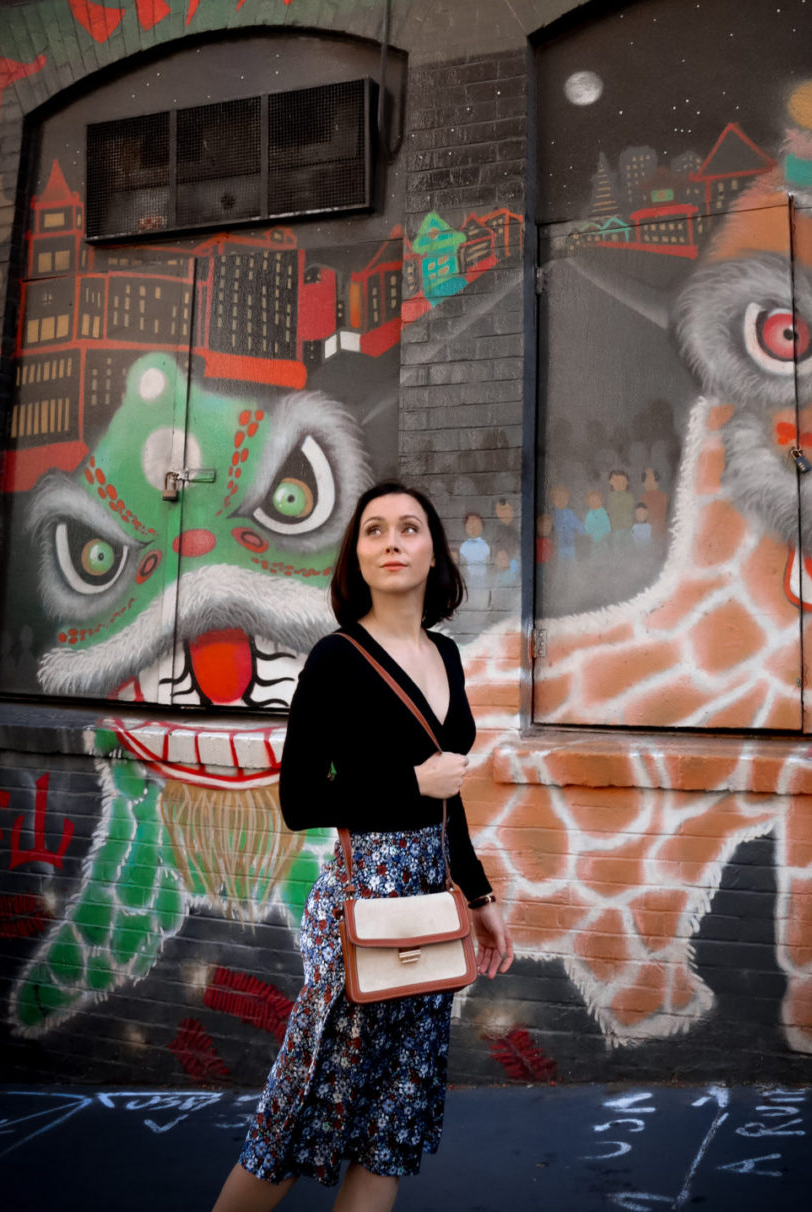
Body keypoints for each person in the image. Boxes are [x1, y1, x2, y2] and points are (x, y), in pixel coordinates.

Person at [212, 480, 513, 1212]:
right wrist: (413, 777)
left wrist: (479, 897)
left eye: (409, 529)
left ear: (434, 551)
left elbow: (449, 799)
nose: (391, 542)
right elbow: (300, 800)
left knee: (391, 1122)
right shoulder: (336, 659)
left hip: (431, 916)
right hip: (360, 912)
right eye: (374, 530)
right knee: (299, 1111)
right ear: (357, 554)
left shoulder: (446, 654)